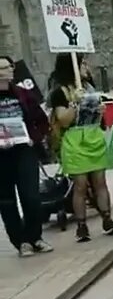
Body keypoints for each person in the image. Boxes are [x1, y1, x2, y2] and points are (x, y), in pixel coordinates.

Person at [49, 53, 113, 242]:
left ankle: (107, 218)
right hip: (75, 140)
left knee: (100, 182)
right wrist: (75, 104)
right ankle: (82, 226)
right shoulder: (60, 92)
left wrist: (100, 112)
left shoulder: (90, 87)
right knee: (80, 185)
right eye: (82, 63)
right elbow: (63, 120)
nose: (86, 67)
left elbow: (101, 120)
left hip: (93, 137)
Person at [0, 56, 52, 255]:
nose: (8, 70)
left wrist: (34, 138)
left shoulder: (23, 94)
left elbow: (42, 121)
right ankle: (21, 242)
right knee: (7, 202)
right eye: (3, 68)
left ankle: (35, 237)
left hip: (24, 151)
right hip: (2, 156)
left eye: (9, 67)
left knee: (31, 197)